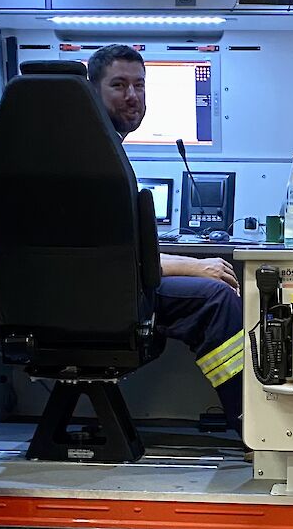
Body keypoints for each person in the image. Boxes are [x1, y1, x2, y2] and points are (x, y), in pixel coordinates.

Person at [87, 44, 244, 430]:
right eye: (119, 85)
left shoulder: (95, 147)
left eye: (139, 85)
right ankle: (250, 421)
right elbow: (120, 260)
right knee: (217, 299)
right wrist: (195, 266)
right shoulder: (94, 157)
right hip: (103, 296)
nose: (132, 96)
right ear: (92, 91)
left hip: (87, 290)